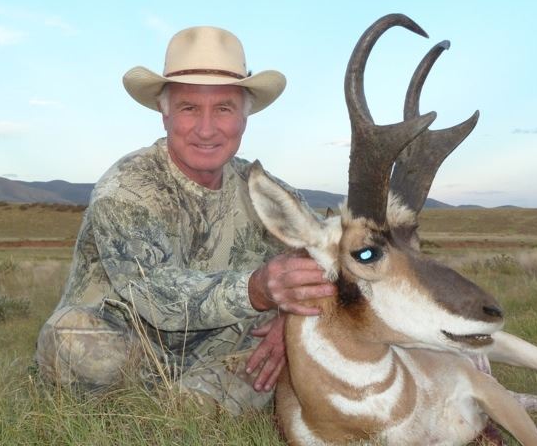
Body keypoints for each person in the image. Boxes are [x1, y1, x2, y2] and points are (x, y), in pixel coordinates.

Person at [35, 26, 336, 415]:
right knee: (71, 338)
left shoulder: (262, 190)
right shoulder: (126, 189)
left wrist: (291, 320)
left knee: (302, 338)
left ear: (244, 118)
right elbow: (157, 296)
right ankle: (148, 409)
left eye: (224, 108)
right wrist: (259, 289)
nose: (206, 129)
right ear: (165, 116)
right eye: (189, 108)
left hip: (220, 353)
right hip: (128, 351)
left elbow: (330, 254)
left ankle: (186, 408)